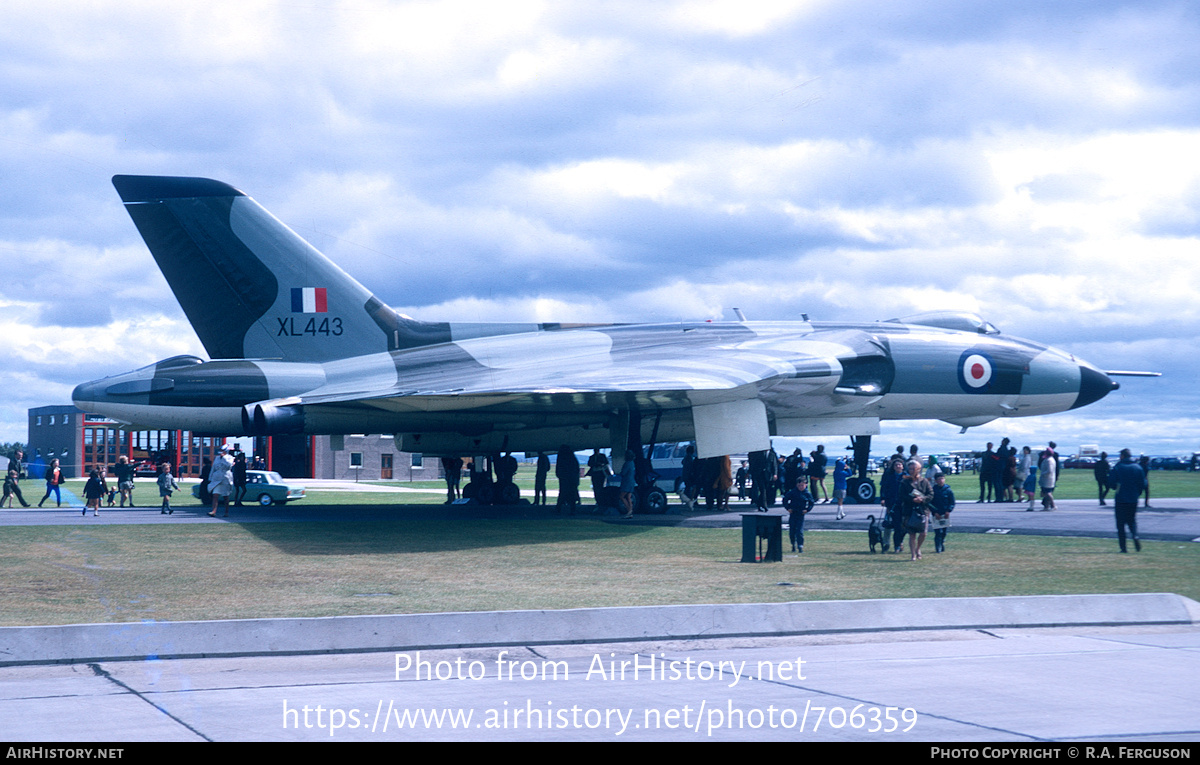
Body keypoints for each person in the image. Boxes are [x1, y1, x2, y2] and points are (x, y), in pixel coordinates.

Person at [1108, 449, 1146, 553]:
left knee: (1120, 524)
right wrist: (1137, 493)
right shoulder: (1138, 467)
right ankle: (1135, 535)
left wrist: (1115, 487)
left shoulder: (1118, 467)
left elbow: (1111, 482)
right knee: (1132, 520)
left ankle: (1123, 547)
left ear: (1123, 456)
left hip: (1121, 498)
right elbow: (1143, 484)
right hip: (1133, 498)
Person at [900, 460, 933, 561]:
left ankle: (918, 548)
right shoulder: (904, 482)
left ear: (918, 469)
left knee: (923, 533)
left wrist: (922, 499)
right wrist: (912, 499)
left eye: (913, 469)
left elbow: (931, 494)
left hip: (923, 510)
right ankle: (913, 554)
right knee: (912, 534)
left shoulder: (924, 481)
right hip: (910, 511)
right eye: (909, 469)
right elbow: (901, 496)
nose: (911, 471)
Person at [782, 477, 815, 552]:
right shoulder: (793, 492)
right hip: (793, 513)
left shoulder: (807, 493)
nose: (801, 487)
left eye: (802, 485)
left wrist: (807, 510)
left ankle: (800, 546)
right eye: (799, 485)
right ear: (797, 485)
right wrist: (788, 508)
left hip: (801, 514)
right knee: (792, 531)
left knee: (799, 531)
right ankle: (793, 544)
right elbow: (785, 500)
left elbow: (811, 502)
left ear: (806, 485)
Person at [930, 472, 955, 553]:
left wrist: (948, 511)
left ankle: (942, 542)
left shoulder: (948, 490)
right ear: (935, 481)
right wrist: (934, 512)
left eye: (942, 479)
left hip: (945, 514)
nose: (941, 481)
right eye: (939, 479)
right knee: (938, 532)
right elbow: (930, 503)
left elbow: (952, 502)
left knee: (944, 532)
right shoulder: (933, 491)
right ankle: (938, 546)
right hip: (936, 514)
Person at [207, 447, 234, 517]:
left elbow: (229, 465)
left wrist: (224, 457)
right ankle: (213, 511)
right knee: (215, 495)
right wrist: (210, 477)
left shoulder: (230, 458)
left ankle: (226, 512)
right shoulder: (217, 458)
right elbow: (213, 468)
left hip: (226, 478)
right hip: (217, 478)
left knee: (225, 496)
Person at [554, 446, 580, 514]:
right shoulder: (572, 458)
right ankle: (572, 510)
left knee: (562, 494)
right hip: (571, 478)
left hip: (564, 479)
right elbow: (577, 469)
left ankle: (558, 509)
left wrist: (560, 476)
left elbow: (558, 469)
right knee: (572, 495)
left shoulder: (561, 458)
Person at [618, 449, 636, 518]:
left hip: (626, 482)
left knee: (622, 496)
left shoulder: (627, 463)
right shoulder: (632, 463)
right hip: (632, 481)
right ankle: (630, 511)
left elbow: (623, 473)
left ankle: (629, 510)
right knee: (628, 497)